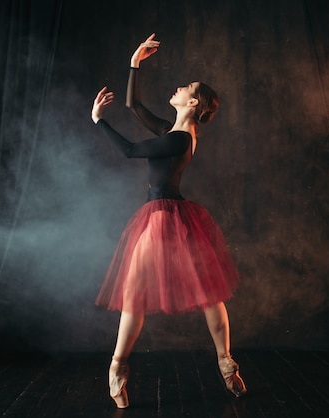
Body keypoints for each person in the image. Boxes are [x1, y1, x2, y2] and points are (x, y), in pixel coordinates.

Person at [91, 33, 246, 409]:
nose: (177, 87)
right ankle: (225, 364)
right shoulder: (174, 132)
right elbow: (133, 105)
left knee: (140, 296)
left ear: (193, 102)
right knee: (206, 294)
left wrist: (98, 122)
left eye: (185, 87)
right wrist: (134, 63)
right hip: (171, 216)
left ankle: (118, 368)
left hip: (163, 217)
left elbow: (129, 150)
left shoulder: (179, 139)